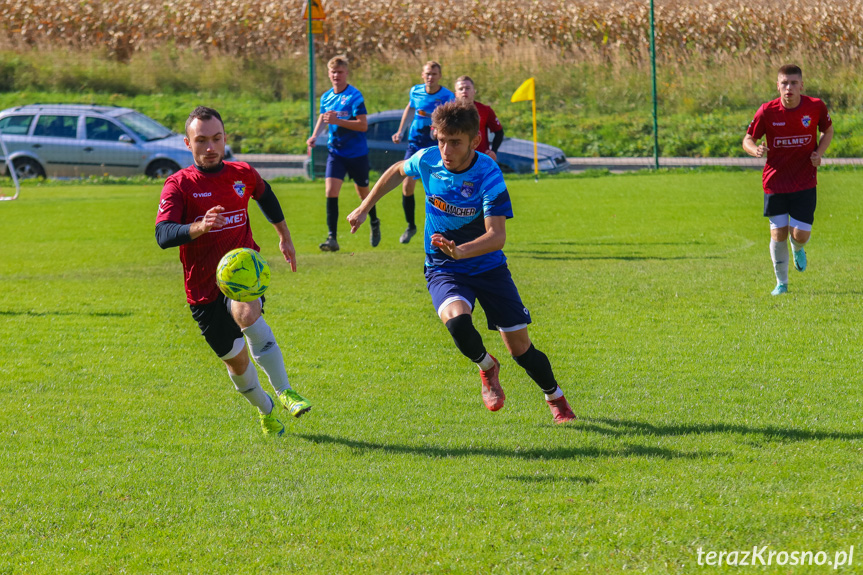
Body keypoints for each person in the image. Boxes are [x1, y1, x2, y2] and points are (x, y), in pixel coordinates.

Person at [349, 100, 576, 424]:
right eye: (441, 140)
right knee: (457, 322)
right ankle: (487, 367)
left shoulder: (488, 173)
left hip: (488, 267)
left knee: (521, 350)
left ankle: (556, 398)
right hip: (444, 267)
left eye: (454, 142)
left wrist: (463, 250)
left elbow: (497, 236)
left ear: (474, 141)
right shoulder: (427, 159)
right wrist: (365, 206)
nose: (445, 148)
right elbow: (396, 171)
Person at [156, 106, 312, 437]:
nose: (210, 147)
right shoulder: (179, 185)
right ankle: (266, 409)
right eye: (202, 140)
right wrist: (198, 227)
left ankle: (285, 391)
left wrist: (285, 238)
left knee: (248, 312)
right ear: (188, 143)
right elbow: (163, 234)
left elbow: (266, 196)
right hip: (201, 291)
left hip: (240, 277)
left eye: (217, 138)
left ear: (225, 138)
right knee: (237, 365)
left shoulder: (242, 173)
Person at [742, 64, 833, 296]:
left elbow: (828, 130)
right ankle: (781, 284)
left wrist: (819, 153)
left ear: (802, 85)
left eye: (793, 83)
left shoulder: (815, 107)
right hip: (775, 182)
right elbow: (748, 138)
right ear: (778, 86)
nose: (789, 88)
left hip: (804, 181)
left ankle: (798, 248)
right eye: (784, 83)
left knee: (799, 235)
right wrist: (755, 150)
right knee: (778, 233)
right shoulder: (767, 111)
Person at [307, 55, 380, 252]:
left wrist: (338, 121)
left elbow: (363, 125)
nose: (336, 75)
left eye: (340, 72)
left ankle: (374, 221)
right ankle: (332, 238)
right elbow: (324, 118)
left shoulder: (355, 96)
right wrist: (314, 136)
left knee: (364, 193)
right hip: (336, 152)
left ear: (346, 73)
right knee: (330, 192)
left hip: (356, 154)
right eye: (333, 72)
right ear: (329, 74)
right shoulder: (326, 97)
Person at [391, 60, 455, 244]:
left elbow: (449, 120)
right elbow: (410, 108)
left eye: (434, 74)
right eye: (427, 74)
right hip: (414, 143)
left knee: (439, 187)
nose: (430, 77)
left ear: (439, 76)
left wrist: (438, 130)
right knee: (407, 185)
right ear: (422, 75)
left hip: (436, 145)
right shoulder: (415, 91)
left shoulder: (447, 96)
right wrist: (400, 130)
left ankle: (447, 225)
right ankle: (411, 225)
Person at [454, 75, 504, 161]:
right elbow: (435, 133)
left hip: (480, 159)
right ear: (456, 94)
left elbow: (499, 132)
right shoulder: (449, 111)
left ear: (474, 91)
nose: (464, 91)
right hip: (457, 158)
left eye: (467, 88)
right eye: (461, 89)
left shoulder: (485, 110)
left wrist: (493, 151)